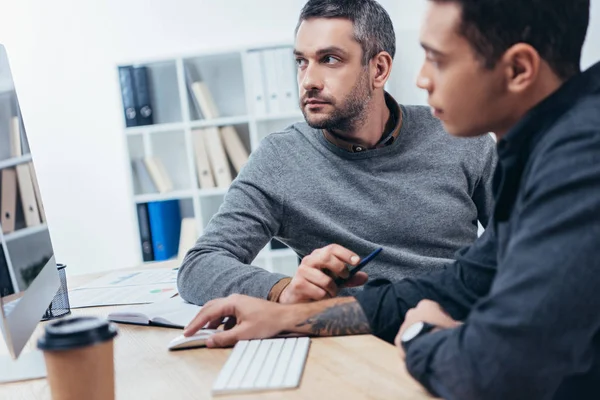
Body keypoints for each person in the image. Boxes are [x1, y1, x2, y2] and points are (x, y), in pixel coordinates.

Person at [184, 0, 600, 399]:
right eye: (301, 61)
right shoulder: (547, 147)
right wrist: (287, 308)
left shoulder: (575, 163)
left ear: (518, 68)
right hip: (403, 345)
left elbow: (493, 364)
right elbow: (472, 278)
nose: (421, 78)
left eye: (437, 58)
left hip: (451, 349)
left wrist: (419, 332)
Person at [177, 0, 496, 306]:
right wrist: (283, 291)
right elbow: (199, 265)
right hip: (346, 341)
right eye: (301, 61)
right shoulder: (281, 159)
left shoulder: (461, 135)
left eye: (329, 59)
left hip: (454, 329)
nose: (308, 81)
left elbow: (527, 242)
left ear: (379, 69)